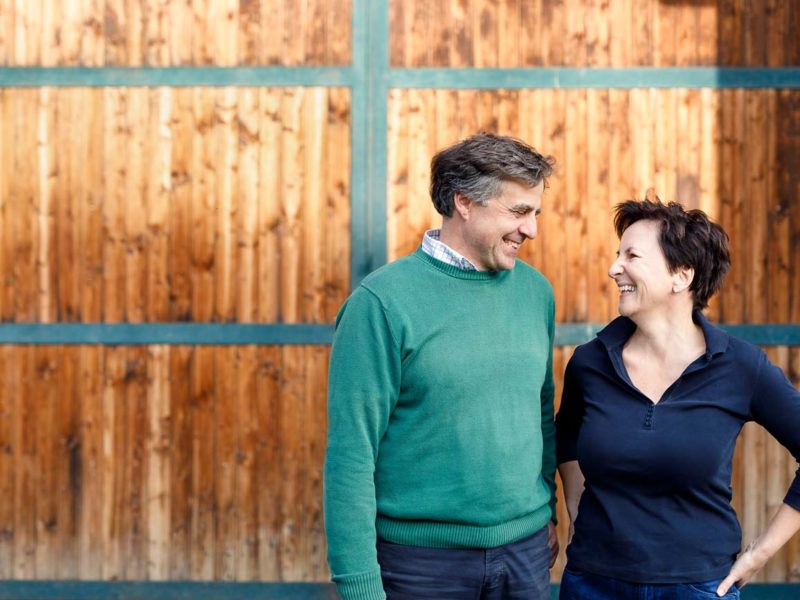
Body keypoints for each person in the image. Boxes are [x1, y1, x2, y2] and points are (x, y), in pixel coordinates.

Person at [324, 133, 559, 600]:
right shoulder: (381, 304)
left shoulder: (536, 293)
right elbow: (351, 456)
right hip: (420, 567)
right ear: (464, 203)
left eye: (535, 213)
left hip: (526, 557)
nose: (530, 230)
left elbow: (540, 414)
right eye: (518, 212)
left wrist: (548, 512)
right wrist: (359, 587)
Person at [556, 198, 800, 599]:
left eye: (631, 255)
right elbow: (566, 440)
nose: (614, 268)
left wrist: (760, 554)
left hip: (698, 586)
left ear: (682, 275)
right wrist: (580, 510)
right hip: (593, 583)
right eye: (617, 255)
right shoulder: (589, 362)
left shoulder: (741, 366)